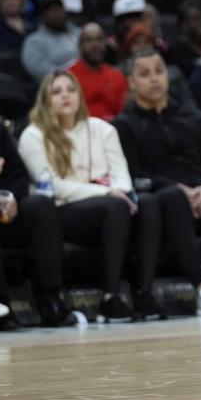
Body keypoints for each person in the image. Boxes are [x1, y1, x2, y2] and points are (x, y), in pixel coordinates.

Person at [112, 50, 201, 317]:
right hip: (165, 207)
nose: (154, 79)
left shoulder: (195, 118)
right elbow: (130, 175)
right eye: (144, 74)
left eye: (158, 71)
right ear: (131, 82)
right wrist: (178, 189)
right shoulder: (124, 125)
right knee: (172, 197)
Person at [18, 70, 164, 321]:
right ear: (45, 99)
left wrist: (119, 191)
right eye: (57, 91)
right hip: (62, 211)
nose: (65, 96)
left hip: (108, 206)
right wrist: (107, 191)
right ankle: (111, 296)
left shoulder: (103, 129)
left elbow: (122, 176)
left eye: (71, 90)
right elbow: (53, 186)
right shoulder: (33, 135)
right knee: (115, 206)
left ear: (79, 96)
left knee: (149, 203)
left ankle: (144, 292)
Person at [0, 65, 75, 327]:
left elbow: (16, 171)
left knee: (40, 205)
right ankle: (0, 304)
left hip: (6, 209)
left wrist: (14, 198)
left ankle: (51, 297)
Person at [68, 22, 128, 121]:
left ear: (105, 43)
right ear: (80, 45)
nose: (95, 45)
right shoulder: (68, 77)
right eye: (89, 40)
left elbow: (123, 114)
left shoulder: (118, 76)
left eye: (99, 39)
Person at [21, 0, 81, 83]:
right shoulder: (34, 41)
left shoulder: (80, 32)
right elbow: (42, 73)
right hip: (62, 87)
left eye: (59, 8)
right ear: (42, 15)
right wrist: (76, 75)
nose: (57, 13)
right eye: (51, 10)